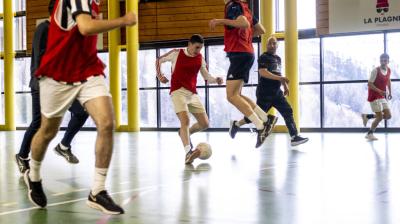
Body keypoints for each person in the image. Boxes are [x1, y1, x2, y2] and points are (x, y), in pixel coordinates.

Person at [23, 0, 137, 215]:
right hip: (57, 74)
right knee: (48, 131)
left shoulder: (94, 3)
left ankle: (98, 191)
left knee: (106, 122)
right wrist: (123, 20)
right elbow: (85, 27)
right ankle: (34, 174)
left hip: (87, 71)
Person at [15, 0, 89, 174]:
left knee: (81, 112)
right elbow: (40, 62)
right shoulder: (44, 29)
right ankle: (22, 156)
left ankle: (64, 146)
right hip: (42, 85)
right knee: (39, 123)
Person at [209, 0, 277, 148]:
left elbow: (244, 23)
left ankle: (260, 127)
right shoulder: (246, 8)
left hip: (239, 54)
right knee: (237, 94)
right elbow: (260, 30)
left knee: (231, 96)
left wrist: (219, 21)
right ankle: (266, 118)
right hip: (246, 53)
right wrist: (245, 37)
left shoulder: (232, 6)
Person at [229, 36, 309, 146]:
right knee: (255, 115)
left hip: (277, 93)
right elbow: (263, 72)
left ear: (277, 45)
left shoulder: (278, 58)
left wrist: (284, 85)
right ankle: (237, 124)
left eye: (274, 43)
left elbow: (278, 74)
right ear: (266, 45)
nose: (271, 45)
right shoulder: (263, 57)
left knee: (288, 111)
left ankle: (294, 137)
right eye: (269, 43)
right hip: (265, 92)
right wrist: (280, 79)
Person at [156, 34, 223, 164]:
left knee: (205, 124)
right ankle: (188, 152)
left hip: (192, 94)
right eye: (197, 47)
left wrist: (216, 80)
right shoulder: (176, 53)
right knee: (185, 120)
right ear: (189, 44)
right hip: (178, 91)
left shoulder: (200, 59)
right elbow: (158, 60)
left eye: (200, 48)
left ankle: (184, 133)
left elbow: (207, 77)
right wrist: (160, 75)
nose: (198, 51)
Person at [361, 53, 392, 141]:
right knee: (380, 117)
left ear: (388, 61)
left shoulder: (389, 70)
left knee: (388, 115)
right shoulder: (375, 70)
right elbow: (369, 84)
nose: (383, 62)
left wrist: (390, 92)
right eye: (381, 60)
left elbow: (388, 81)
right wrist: (380, 91)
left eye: (385, 60)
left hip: (382, 95)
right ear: (380, 61)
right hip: (374, 96)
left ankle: (367, 116)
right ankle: (370, 134)